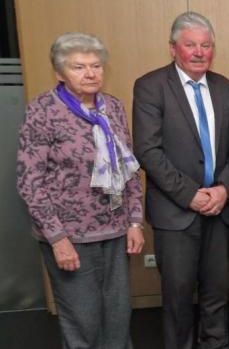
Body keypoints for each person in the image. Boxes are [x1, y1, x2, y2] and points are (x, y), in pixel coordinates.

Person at [17, 32, 144, 349]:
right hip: (70, 236)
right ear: (60, 73)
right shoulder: (43, 111)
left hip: (114, 231)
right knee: (83, 321)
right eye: (79, 67)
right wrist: (57, 238)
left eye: (96, 66)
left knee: (117, 317)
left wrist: (135, 222)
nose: (90, 73)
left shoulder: (111, 108)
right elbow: (29, 180)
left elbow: (129, 169)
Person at [133, 12, 229, 349]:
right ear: (172, 48)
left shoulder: (225, 87)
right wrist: (190, 195)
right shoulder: (150, 86)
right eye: (190, 44)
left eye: (205, 45)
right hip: (175, 211)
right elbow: (148, 151)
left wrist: (224, 188)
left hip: (220, 210)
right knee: (177, 298)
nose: (198, 52)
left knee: (216, 292)